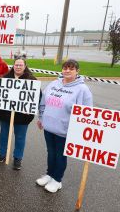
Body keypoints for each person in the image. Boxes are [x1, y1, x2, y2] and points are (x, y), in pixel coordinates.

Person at [36, 59, 93, 193]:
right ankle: (49, 174)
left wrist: (80, 131)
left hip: (65, 130)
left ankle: (57, 179)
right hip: (49, 127)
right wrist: (41, 118)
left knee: (60, 155)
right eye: (65, 68)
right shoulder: (54, 84)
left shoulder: (82, 89)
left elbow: (87, 112)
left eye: (71, 68)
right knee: (51, 152)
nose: (67, 70)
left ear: (77, 71)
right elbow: (43, 102)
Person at [0, 58, 37, 170]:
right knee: (4, 135)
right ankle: (2, 154)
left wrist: (30, 107)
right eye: (16, 65)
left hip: (23, 117)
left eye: (20, 65)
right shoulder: (6, 78)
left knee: (20, 137)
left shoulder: (31, 79)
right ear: (13, 66)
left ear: (25, 66)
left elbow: (37, 96)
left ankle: (18, 158)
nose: (18, 67)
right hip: (6, 115)